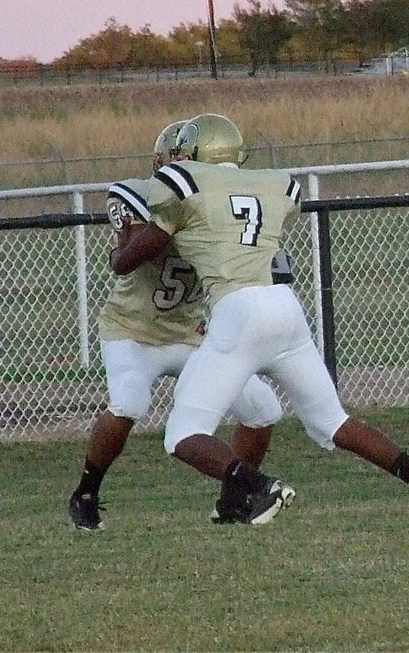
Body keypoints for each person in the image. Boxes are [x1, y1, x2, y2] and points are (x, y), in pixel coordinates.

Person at [109, 113, 409, 522]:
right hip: (284, 307)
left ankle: (262, 487)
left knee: (182, 435)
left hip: (237, 311)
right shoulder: (276, 183)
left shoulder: (184, 185)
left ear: (196, 152)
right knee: (334, 422)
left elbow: (129, 261)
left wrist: (124, 239)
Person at [68, 121, 282, 531]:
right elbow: (136, 255)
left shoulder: (221, 204)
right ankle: (86, 492)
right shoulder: (140, 193)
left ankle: (233, 501)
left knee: (262, 408)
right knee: (129, 402)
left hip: (189, 331)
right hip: (133, 330)